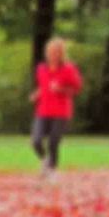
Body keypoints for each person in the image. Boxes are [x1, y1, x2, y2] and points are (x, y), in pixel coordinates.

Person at [30, 38, 83, 176]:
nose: (52, 55)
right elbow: (43, 87)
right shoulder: (41, 69)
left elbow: (76, 89)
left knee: (53, 142)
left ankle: (52, 171)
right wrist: (36, 94)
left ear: (61, 54)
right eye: (50, 52)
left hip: (61, 112)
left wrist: (61, 89)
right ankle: (45, 161)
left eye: (55, 52)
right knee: (36, 141)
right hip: (43, 110)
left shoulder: (69, 69)